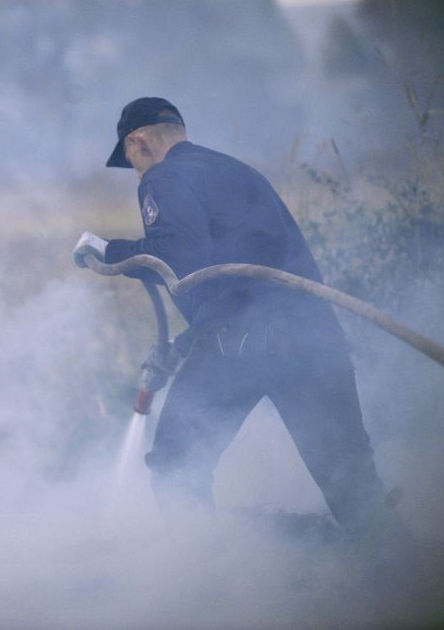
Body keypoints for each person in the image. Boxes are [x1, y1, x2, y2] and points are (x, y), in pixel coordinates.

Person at [74, 97, 403, 542]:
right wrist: (185, 345)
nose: (135, 169)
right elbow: (237, 284)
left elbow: (179, 259)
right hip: (313, 339)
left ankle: (203, 568)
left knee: (175, 461)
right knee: (352, 483)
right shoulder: (236, 171)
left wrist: (107, 251)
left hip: (242, 344)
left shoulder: (163, 176)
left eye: (131, 159)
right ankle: (404, 567)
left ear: (138, 142)